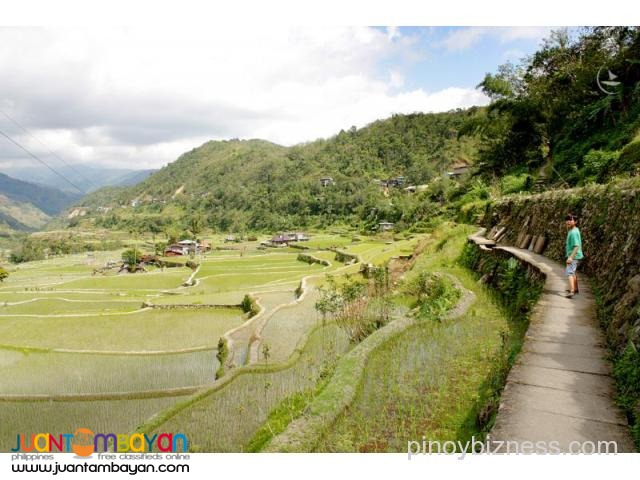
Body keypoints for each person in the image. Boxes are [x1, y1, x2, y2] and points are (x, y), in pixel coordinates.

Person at [565, 213, 583, 298]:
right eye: (567, 219)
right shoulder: (573, 230)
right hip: (576, 256)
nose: (568, 221)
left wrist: (570, 257)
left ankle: (572, 291)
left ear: (575, 221)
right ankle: (575, 289)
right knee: (573, 272)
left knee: (569, 272)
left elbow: (576, 246)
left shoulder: (573, 233)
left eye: (570, 220)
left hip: (574, 256)